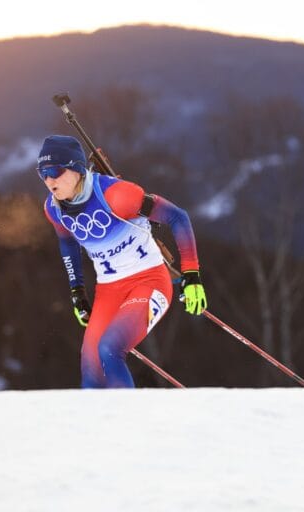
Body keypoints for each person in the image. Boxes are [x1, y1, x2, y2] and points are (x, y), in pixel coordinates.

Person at [38, 135, 207, 388]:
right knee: (91, 366)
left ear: (76, 168)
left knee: (110, 348)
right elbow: (68, 243)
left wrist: (192, 276)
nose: (49, 181)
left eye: (55, 171)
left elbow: (178, 217)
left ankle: (128, 414)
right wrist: (77, 292)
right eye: (42, 174)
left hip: (150, 281)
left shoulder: (118, 195)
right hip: (109, 290)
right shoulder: (53, 209)